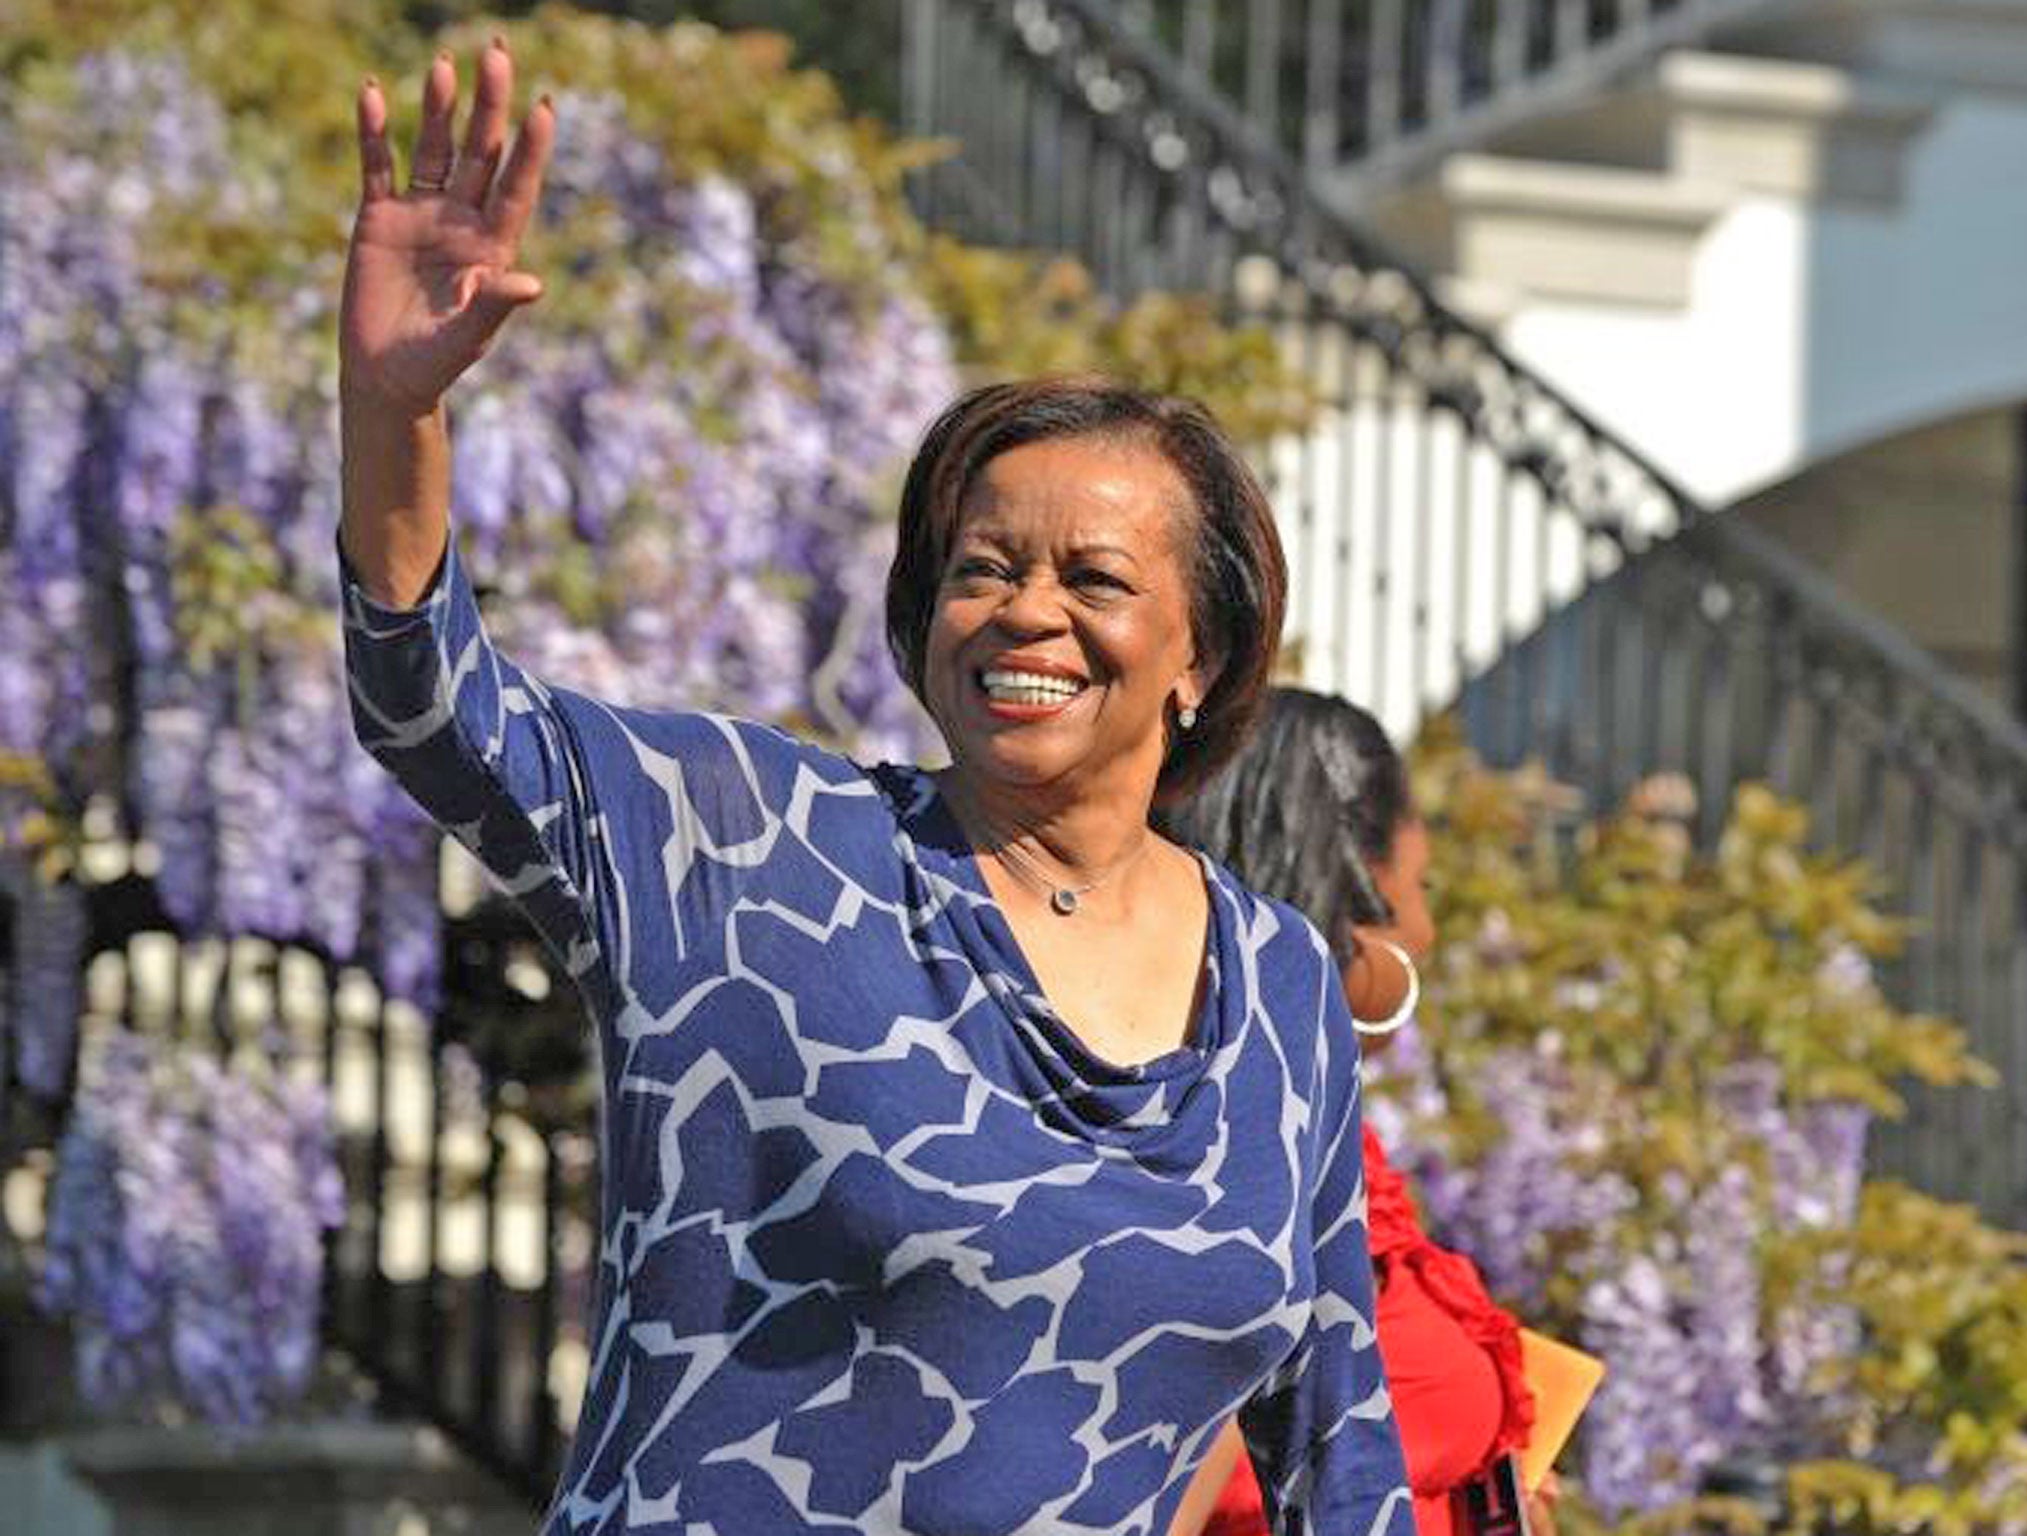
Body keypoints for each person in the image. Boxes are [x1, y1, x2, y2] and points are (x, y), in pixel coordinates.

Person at [337, 41, 1414, 1536]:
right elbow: (438, 713)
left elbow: (1338, 1440)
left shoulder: (1282, 980)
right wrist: (397, 414)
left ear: (1203, 654)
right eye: (984, 567)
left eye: (1092, 577)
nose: (1027, 611)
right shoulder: (747, 843)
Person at [1160, 689, 1547, 1536]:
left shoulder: (1312, 1147)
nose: (1432, 928)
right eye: (1421, 886)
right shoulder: (1235, 1162)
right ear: (1356, 900)